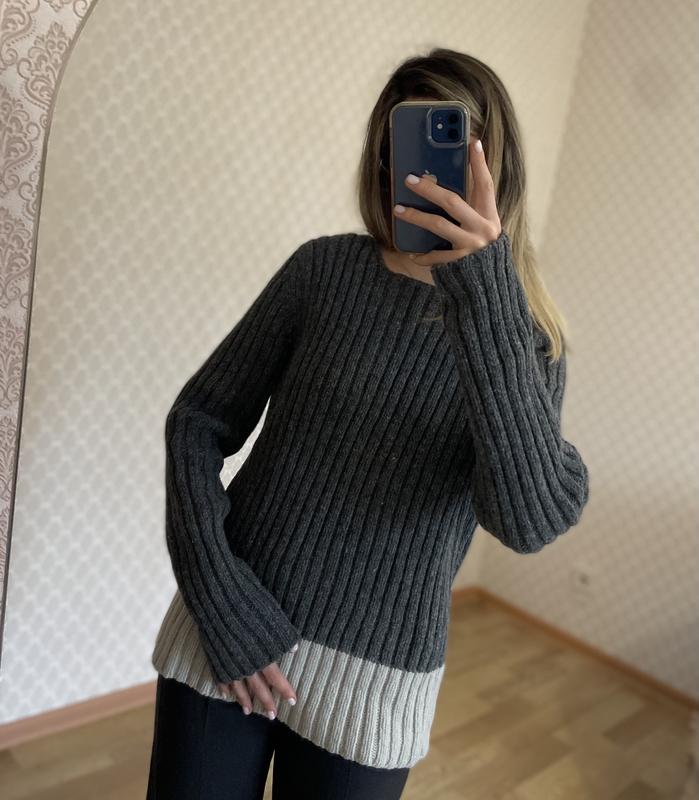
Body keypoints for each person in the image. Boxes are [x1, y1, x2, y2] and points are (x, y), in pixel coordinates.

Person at [146, 47, 590, 799]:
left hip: (375, 684)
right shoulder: (323, 272)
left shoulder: (529, 344)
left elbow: (527, 520)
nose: (415, 176)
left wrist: (482, 295)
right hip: (226, 630)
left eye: (448, 153)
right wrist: (218, 596)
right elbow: (197, 422)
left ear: (495, 167)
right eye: (400, 149)